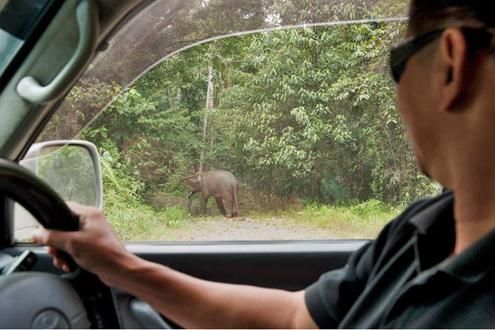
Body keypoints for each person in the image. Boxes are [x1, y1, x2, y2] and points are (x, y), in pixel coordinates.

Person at [33, 0, 495, 327]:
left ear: (449, 66)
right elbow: (296, 319)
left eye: (397, 64)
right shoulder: (417, 231)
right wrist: (121, 266)